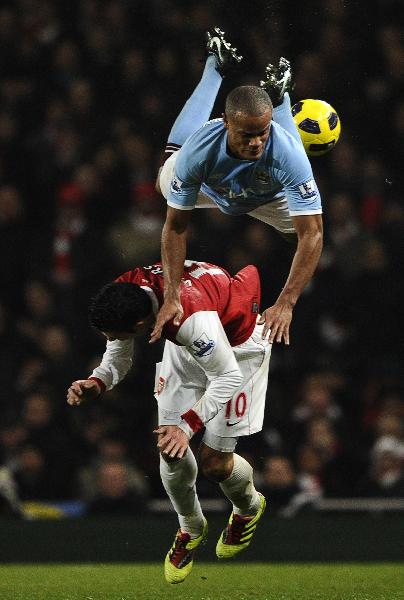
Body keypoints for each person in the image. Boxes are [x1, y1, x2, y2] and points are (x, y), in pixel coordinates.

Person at [66, 259, 271, 584]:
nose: (114, 338)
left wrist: (188, 425)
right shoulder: (128, 290)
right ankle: (191, 527)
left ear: (141, 322)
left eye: (120, 333)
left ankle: (248, 507)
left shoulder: (190, 318)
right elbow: (118, 351)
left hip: (239, 349)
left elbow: (226, 374)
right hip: (187, 346)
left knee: (215, 465)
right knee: (170, 448)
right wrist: (99, 380)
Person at [151, 27, 323, 347]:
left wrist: (286, 302)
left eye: (263, 132)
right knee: (165, 181)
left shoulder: (288, 155)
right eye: (247, 135)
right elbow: (175, 227)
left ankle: (279, 99)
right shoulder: (199, 152)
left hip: (267, 193)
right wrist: (172, 296)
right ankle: (216, 68)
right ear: (226, 122)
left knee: (298, 236)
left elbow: (312, 233)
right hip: (214, 187)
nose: (257, 143)